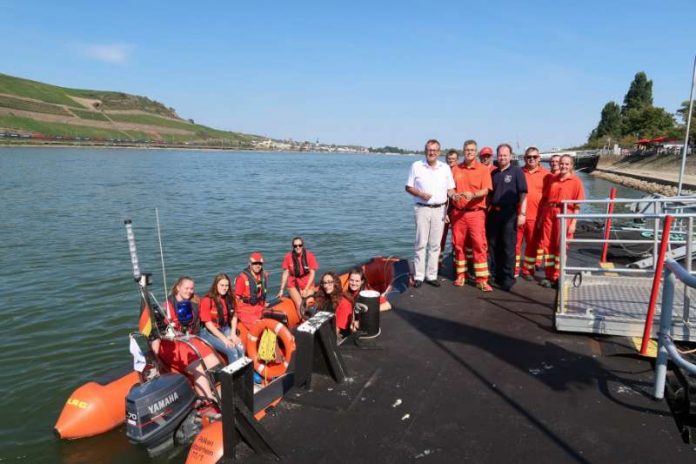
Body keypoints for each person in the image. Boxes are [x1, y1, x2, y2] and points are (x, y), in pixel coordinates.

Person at [154, 276, 222, 403]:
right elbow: (157, 334)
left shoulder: (195, 302)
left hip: (190, 340)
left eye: (192, 288)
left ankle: (216, 389)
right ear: (178, 288)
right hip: (173, 346)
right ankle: (209, 399)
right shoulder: (167, 306)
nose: (189, 291)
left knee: (214, 362)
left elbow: (205, 317)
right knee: (199, 369)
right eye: (186, 288)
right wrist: (156, 358)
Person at [405, 139, 455, 288]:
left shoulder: (445, 168)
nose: (432, 152)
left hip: (440, 209)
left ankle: (431, 275)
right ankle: (419, 276)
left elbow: (450, 189)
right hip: (422, 208)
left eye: (434, 150)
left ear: (439, 152)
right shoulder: (416, 166)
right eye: (429, 150)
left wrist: (455, 196)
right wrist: (420, 194)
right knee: (420, 243)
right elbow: (408, 187)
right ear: (425, 151)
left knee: (435, 245)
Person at [450, 139, 493, 291]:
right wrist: (453, 195)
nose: (469, 152)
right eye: (467, 149)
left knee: (479, 245)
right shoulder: (455, 169)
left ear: (476, 152)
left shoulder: (483, 169)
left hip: (476, 213)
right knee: (458, 245)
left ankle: (482, 279)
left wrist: (473, 194)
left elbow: (486, 190)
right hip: (458, 214)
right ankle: (461, 275)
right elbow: (449, 188)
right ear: (463, 151)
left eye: (472, 150)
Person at [538, 155, 585, 288]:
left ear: (571, 166)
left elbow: (577, 205)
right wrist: (542, 218)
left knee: (561, 246)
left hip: (565, 214)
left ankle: (558, 276)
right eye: (562, 164)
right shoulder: (553, 179)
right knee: (547, 245)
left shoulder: (576, 181)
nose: (563, 166)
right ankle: (549, 275)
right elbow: (546, 199)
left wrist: (574, 223)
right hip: (550, 214)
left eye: (566, 164)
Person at [487, 143, 527, 291]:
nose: (502, 157)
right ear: (497, 156)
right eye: (500, 155)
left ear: (510, 156)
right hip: (494, 214)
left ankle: (508, 278)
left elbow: (523, 193)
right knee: (493, 246)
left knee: (508, 247)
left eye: (505, 155)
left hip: (509, 213)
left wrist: (522, 213)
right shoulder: (494, 173)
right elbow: (489, 195)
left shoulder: (517, 172)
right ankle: (496, 274)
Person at [517, 147, 551, 280]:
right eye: (528, 157)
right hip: (518, 216)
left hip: (535, 217)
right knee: (515, 244)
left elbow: (549, 198)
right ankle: (513, 269)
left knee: (532, 245)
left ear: (539, 158)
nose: (531, 159)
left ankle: (527, 270)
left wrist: (543, 217)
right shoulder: (518, 172)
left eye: (534, 157)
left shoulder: (546, 175)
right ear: (524, 158)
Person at [199, 273, 245, 363]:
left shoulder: (230, 298)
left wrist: (233, 334)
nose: (224, 288)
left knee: (240, 346)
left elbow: (234, 316)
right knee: (232, 351)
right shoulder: (207, 300)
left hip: (224, 328)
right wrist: (224, 339)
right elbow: (208, 324)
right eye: (222, 285)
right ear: (216, 285)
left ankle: (244, 372)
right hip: (209, 332)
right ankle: (235, 376)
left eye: (226, 285)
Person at [334, 268, 391, 337]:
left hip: (363, 323)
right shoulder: (347, 293)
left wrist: (367, 312)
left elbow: (387, 305)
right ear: (348, 279)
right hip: (350, 322)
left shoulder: (367, 293)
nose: (354, 283)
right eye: (352, 280)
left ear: (362, 282)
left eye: (357, 281)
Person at [277, 237, 319, 319]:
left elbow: (312, 273)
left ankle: (312, 319)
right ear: (293, 247)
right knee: (299, 303)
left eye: (300, 245)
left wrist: (306, 289)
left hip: (307, 283)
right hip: (293, 283)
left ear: (303, 245)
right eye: (295, 246)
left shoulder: (309, 256)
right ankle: (303, 321)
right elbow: (285, 273)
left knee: (309, 301)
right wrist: (281, 289)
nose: (298, 247)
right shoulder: (288, 257)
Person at [234, 252, 268, 329]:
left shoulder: (264, 275)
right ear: (250, 264)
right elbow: (236, 299)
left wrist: (263, 303)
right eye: (255, 263)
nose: (258, 265)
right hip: (245, 310)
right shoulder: (242, 278)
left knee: (272, 321)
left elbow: (261, 292)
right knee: (259, 327)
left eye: (260, 263)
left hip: (258, 307)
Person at [439, 149, 459, 269]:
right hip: (444, 208)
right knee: (440, 237)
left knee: (457, 238)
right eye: (449, 159)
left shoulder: (461, 171)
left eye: (453, 159)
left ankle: (457, 263)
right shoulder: (442, 171)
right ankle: (438, 263)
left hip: (456, 209)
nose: (451, 161)